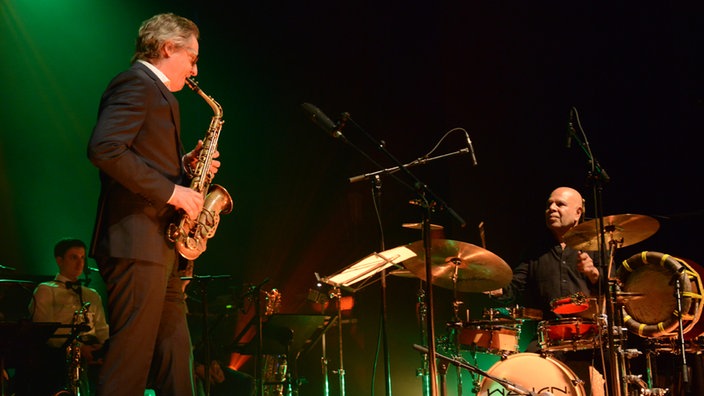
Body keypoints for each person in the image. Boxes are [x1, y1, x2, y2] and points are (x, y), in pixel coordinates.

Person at [87, 12, 220, 395]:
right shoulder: (137, 83)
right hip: (136, 242)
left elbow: (141, 157)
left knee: (177, 357)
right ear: (167, 48)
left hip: (158, 244)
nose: (196, 68)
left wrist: (184, 168)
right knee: (130, 362)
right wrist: (174, 192)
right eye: (192, 57)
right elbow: (105, 148)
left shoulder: (155, 92)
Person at [487, 186, 603, 395]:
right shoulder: (534, 252)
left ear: (578, 213)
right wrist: (489, 285)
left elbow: (614, 290)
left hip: (591, 336)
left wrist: (593, 273)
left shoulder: (596, 245)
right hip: (549, 336)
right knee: (523, 378)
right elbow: (513, 289)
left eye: (560, 204)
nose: (551, 208)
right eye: (549, 204)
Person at [25, 238, 109, 396]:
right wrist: (79, 348)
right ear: (59, 260)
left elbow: (102, 330)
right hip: (55, 364)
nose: (80, 263)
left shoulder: (92, 294)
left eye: (82, 258)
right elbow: (43, 332)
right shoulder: (45, 290)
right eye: (73, 257)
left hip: (88, 364)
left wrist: (101, 349)